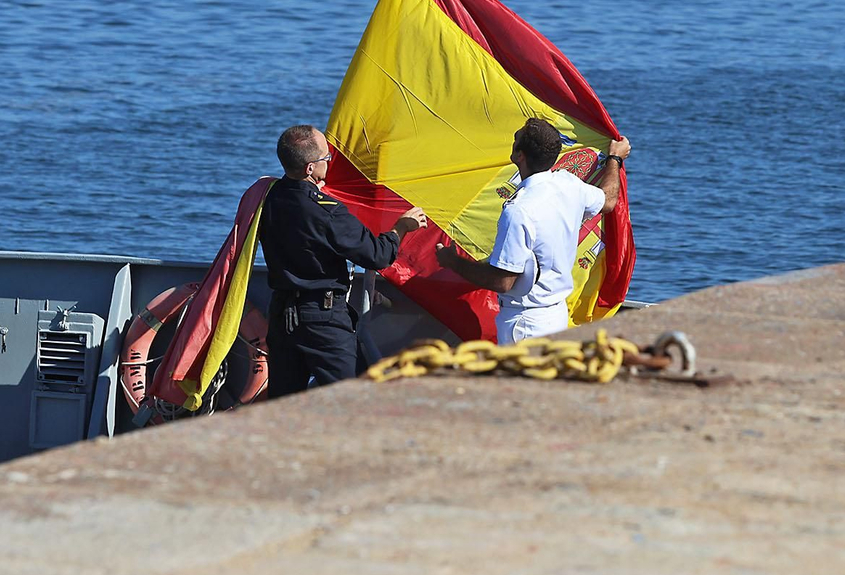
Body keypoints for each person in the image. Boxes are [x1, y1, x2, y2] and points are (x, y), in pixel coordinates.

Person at [262, 124, 426, 397]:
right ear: (310, 169)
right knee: (352, 400)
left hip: (282, 317)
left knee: (283, 402)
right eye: (326, 159)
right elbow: (377, 255)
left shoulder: (269, 197)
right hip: (322, 320)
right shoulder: (328, 213)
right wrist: (401, 228)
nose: (330, 163)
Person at [435, 118, 631, 345]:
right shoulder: (569, 184)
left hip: (525, 326)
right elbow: (608, 200)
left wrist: (453, 262)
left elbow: (503, 282)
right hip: (556, 316)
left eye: (515, 140)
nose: (513, 141)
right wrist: (614, 159)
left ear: (520, 155)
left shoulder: (519, 210)